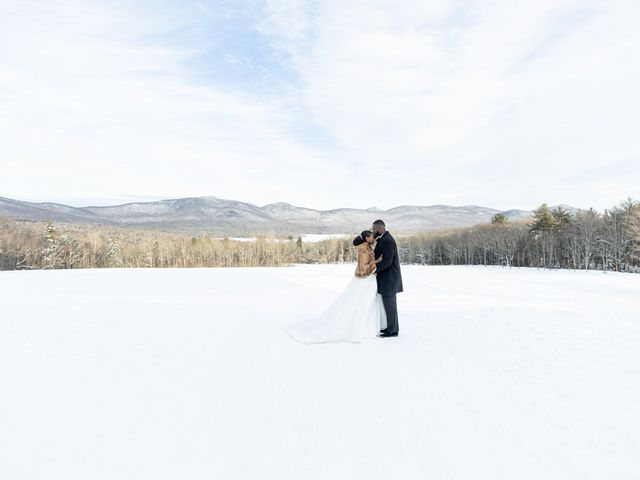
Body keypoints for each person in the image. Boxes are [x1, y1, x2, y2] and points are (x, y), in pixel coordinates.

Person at [285, 230, 387, 344]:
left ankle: (367, 329)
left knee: (367, 303)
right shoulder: (363, 249)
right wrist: (377, 261)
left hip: (368, 281)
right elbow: (363, 268)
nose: (374, 239)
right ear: (367, 238)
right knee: (360, 303)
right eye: (372, 237)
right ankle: (360, 330)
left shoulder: (367, 247)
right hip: (365, 281)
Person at [371, 219, 403, 337]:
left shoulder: (388, 240)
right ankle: (392, 328)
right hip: (388, 279)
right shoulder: (384, 239)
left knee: (390, 305)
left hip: (389, 279)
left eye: (374, 229)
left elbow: (387, 261)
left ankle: (392, 331)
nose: (373, 231)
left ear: (379, 228)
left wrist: (374, 269)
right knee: (389, 305)